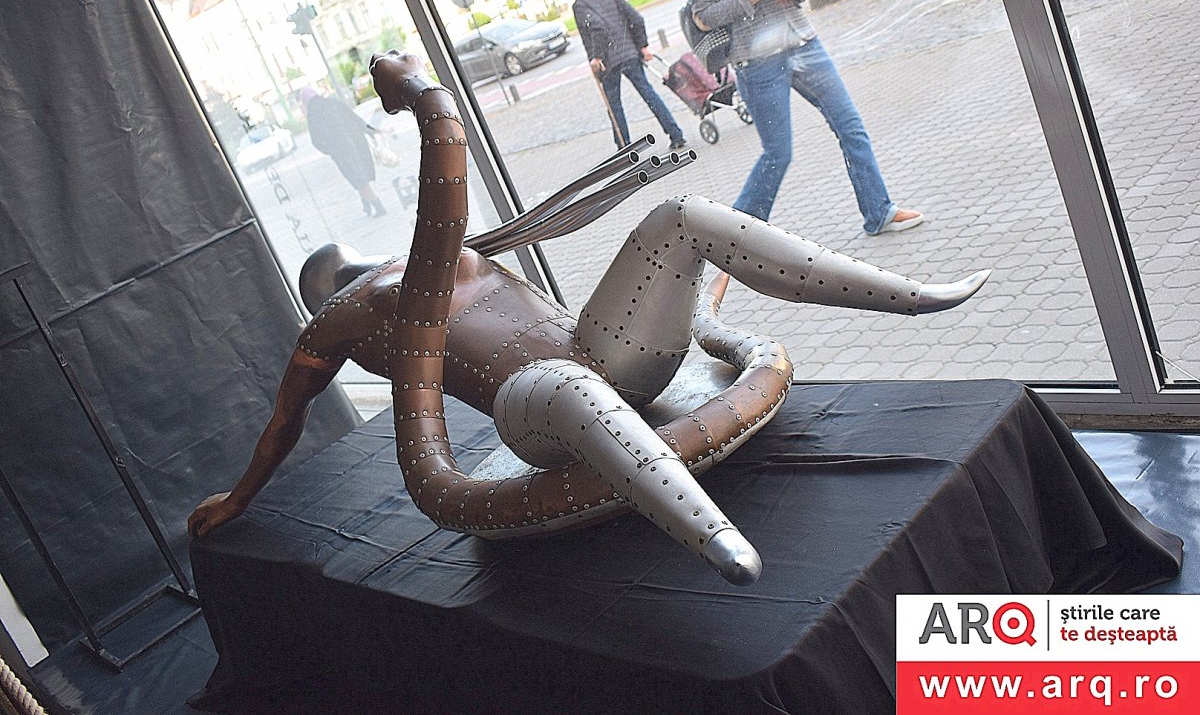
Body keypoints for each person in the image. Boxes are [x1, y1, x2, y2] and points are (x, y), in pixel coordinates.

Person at [189, 52, 987, 585]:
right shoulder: (348, 316)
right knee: (562, 383)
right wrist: (237, 500)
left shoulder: (437, 254)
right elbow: (285, 420)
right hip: (540, 413)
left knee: (680, 215)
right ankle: (717, 540)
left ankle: (912, 294)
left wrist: (238, 496)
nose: (359, 267)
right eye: (340, 269)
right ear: (326, 290)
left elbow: (285, 421)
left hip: (606, 352)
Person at [687, 0, 923, 234]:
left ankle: (878, 212)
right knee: (778, 154)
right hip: (758, 62)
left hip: (804, 44)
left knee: (851, 128)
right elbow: (703, 16)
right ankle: (732, 236)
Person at [569, 0, 688, 151]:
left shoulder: (580, 6)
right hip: (630, 53)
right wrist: (642, 46)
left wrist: (597, 57)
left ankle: (625, 148)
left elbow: (597, 28)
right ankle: (676, 134)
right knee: (649, 94)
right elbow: (636, 19)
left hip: (608, 62)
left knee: (614, 105)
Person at [301, 88, 387, 218]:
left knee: (358, 179)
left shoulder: (313, 115)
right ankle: (366, 203)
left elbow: (316, 141)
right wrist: (371, 131)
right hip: (357, 143)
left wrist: (330, 150)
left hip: (341, 151)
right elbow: (354, 118)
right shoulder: (333, 102)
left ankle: (377, 205)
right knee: (360, 175)